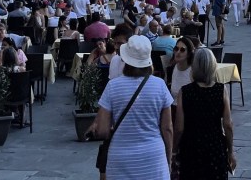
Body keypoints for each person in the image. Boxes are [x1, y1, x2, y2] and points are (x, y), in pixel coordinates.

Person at [89, 36, 173, 180]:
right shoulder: (160, 85)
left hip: (120, 157)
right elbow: (167, 128)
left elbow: (103, 130)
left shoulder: (113, 86)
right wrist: (169, 159)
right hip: (153, 157)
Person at [175, 47, 236, 179]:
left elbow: (179, 127)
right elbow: (228, 125)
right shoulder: (221, 90)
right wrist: (230, 151)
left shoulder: (185, 91)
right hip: (215, 147)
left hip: (191, 147)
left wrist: (174, 150)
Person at [166, 37, 196, 102]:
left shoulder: (194, 71)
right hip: (172, 106)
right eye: (176, 49)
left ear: (189, 53)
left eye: (182, 50)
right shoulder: (170, 69)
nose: (178, 52)